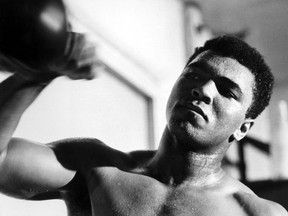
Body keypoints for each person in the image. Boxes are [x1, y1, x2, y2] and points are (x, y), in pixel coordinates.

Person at [0, 34, 287, 216]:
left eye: (227, 91)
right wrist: (38, 73)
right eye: (194, 75)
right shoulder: (96, 169)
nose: (204, 90)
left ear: (242, 128)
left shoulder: (255, 213)